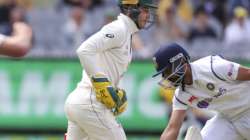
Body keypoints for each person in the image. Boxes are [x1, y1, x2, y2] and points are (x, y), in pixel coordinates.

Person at [64, 0, 157, 140]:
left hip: (80, 102)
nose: (148, 15)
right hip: (90, 103)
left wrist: (117, 91)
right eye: (145, 9)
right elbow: (84, 50)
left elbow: (109, 66)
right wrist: (101, 83)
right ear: (131, 9)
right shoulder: (119, 28)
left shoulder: (126, 32)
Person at [152, 43, 250, 140]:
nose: (166, 78)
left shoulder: (213, 67)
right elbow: (172, 129)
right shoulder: (181, 95)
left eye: (168, 71)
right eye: (164, 74)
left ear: (181, 62)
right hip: (228, 119)